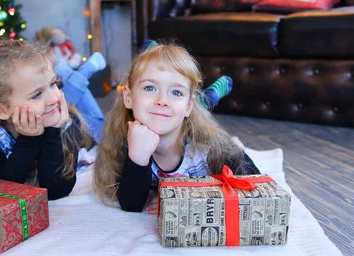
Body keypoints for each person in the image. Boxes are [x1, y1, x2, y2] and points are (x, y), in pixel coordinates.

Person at [94, 43, 260, 212]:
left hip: (193, 119)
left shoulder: (208, 147)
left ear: (189, 106)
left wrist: (181, 198)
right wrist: (139, 156)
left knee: (203, 105)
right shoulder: (128, 140)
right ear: (128, 97)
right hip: (175, 113)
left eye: (176, 92)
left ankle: (209, 96)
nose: (162, 100)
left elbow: (256, 186)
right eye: (150, 88)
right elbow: (131, 204)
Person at [0, 39, 93, 200]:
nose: (53, 98)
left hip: (92, 130)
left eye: (53, 83)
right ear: (2, 110)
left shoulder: (66, 121)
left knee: (92, 113)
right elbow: (5, 191)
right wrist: (29, 141)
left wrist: (53, 132)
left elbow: (56, 192)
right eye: (36, 94)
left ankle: (83, 71)